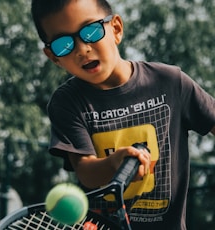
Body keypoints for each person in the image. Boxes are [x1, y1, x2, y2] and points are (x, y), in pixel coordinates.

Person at [31, 0, 215, 229]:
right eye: (64, 44)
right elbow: (85, 170)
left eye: (91, 31)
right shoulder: (66, 103)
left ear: (116, 29)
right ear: (53, 56)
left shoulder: (171, 82)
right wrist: (112, 163)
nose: (82, 49)